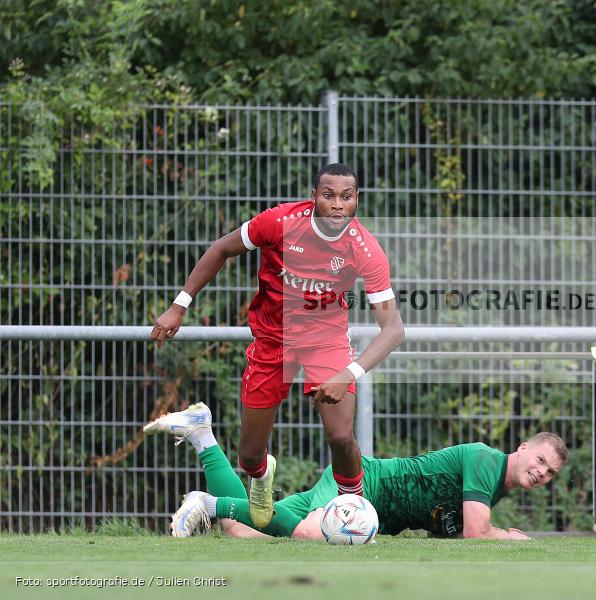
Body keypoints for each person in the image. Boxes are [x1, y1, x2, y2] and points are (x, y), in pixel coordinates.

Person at [149, 163, 405, 529]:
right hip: (272, 338)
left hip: (326, 340)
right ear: (314, 196)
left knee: (341, 435)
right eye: (328, 195)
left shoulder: (364, 248)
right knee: (250, 454)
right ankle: (260, 476)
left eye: (346, 197)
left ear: (356, 200)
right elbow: (221, 248)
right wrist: (178, 306)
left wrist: (347, 373)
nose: (337, 204)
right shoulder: (280, 222)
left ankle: (357, 513)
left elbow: (393, 329)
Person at [145, 402, 567, 540]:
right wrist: (508, 538)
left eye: (550, 474)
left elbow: (449, 531)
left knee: (241, 532)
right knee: (311, 533)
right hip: (363, 483)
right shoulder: (486, 460)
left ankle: (202, 436)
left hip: (368, 503)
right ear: (523, 448)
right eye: (542, 460)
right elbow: (477, 533)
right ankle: (207, 501)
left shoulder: (495, 489)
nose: (543, 472)